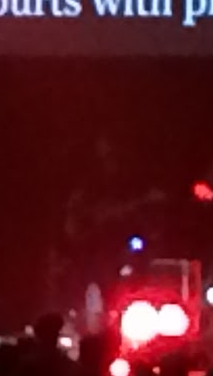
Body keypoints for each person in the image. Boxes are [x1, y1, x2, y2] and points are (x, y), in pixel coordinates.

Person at [56, 136, 166, 334]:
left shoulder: (123, 182)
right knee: (96, 285)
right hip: (95, 248)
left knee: (120, 280)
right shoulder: (90, 184)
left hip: (113, 245)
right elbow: (87, 214)